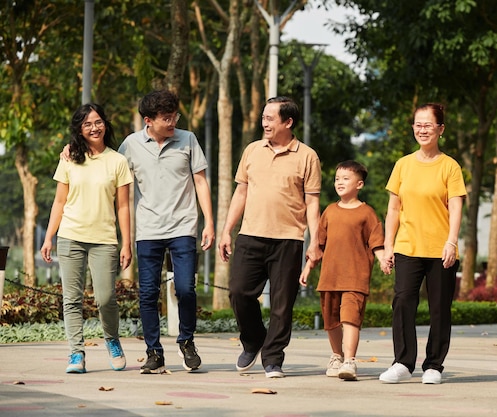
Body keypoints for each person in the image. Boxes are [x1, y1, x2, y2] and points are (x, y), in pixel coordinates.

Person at [218, 96, 322, 379]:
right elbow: (241, 192)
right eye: (263, 117)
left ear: (288, 122)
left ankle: (273, 358)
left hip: (289, 239)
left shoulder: (307, 156)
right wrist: (227, 230)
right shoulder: (252, 151)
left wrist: (315, 240)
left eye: (270, 118)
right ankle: (253, 340)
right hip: (250, 235)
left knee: (281, 303)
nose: (264, 123)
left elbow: (312, 202)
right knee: (238, 292)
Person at [117, 90, 215, 374]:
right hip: (147, 229)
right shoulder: (131, 145)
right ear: (148, 120)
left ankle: (187, 341)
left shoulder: (188, 140)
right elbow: (114, 177)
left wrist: (209, 221)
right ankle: (154, 352)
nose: (172, 122)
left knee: (185, 288)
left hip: (183, 226)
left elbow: (201, 182)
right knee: (148, 293)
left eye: (175, 116)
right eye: (166, 118)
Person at [378, 103, 466, 385]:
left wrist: (452, 242)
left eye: (428, 124)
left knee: (440, 307)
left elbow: (455, 207)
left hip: (441, 250)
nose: (422, 129)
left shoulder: (450, 167)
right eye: (418, 124)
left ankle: (434, 365)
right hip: (407, 247)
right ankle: (403, 362)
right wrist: (388, 245)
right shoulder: (402, 165)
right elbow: (393, 209)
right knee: (403, 301)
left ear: (440, 129)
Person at [41, 103, 133, 374]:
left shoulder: (118, 161)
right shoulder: (69, 158)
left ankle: (112, 341)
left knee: (106, 298)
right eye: (87, 124)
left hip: (104, 239)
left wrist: (126, 242)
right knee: (71, 299)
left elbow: (124, 207)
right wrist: (48, 238)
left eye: (98, 122)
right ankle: (76, 354)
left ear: (105, 124)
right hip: (70, 236)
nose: (94, 127)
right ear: (79, 130)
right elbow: (59, 202)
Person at [299, 160, 387, 381]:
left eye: (345, 179)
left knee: (350, 319)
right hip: (330, 278)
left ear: (359, 184)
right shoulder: (329, 211)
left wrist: (384, 260)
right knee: (331, 322)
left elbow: (377, 242)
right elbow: (319, 244)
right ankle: (336, 356)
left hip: (356, 278)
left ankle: (349, 361)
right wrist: (308, 267)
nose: (340, 182)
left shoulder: (367, 213)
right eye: (337, 178)